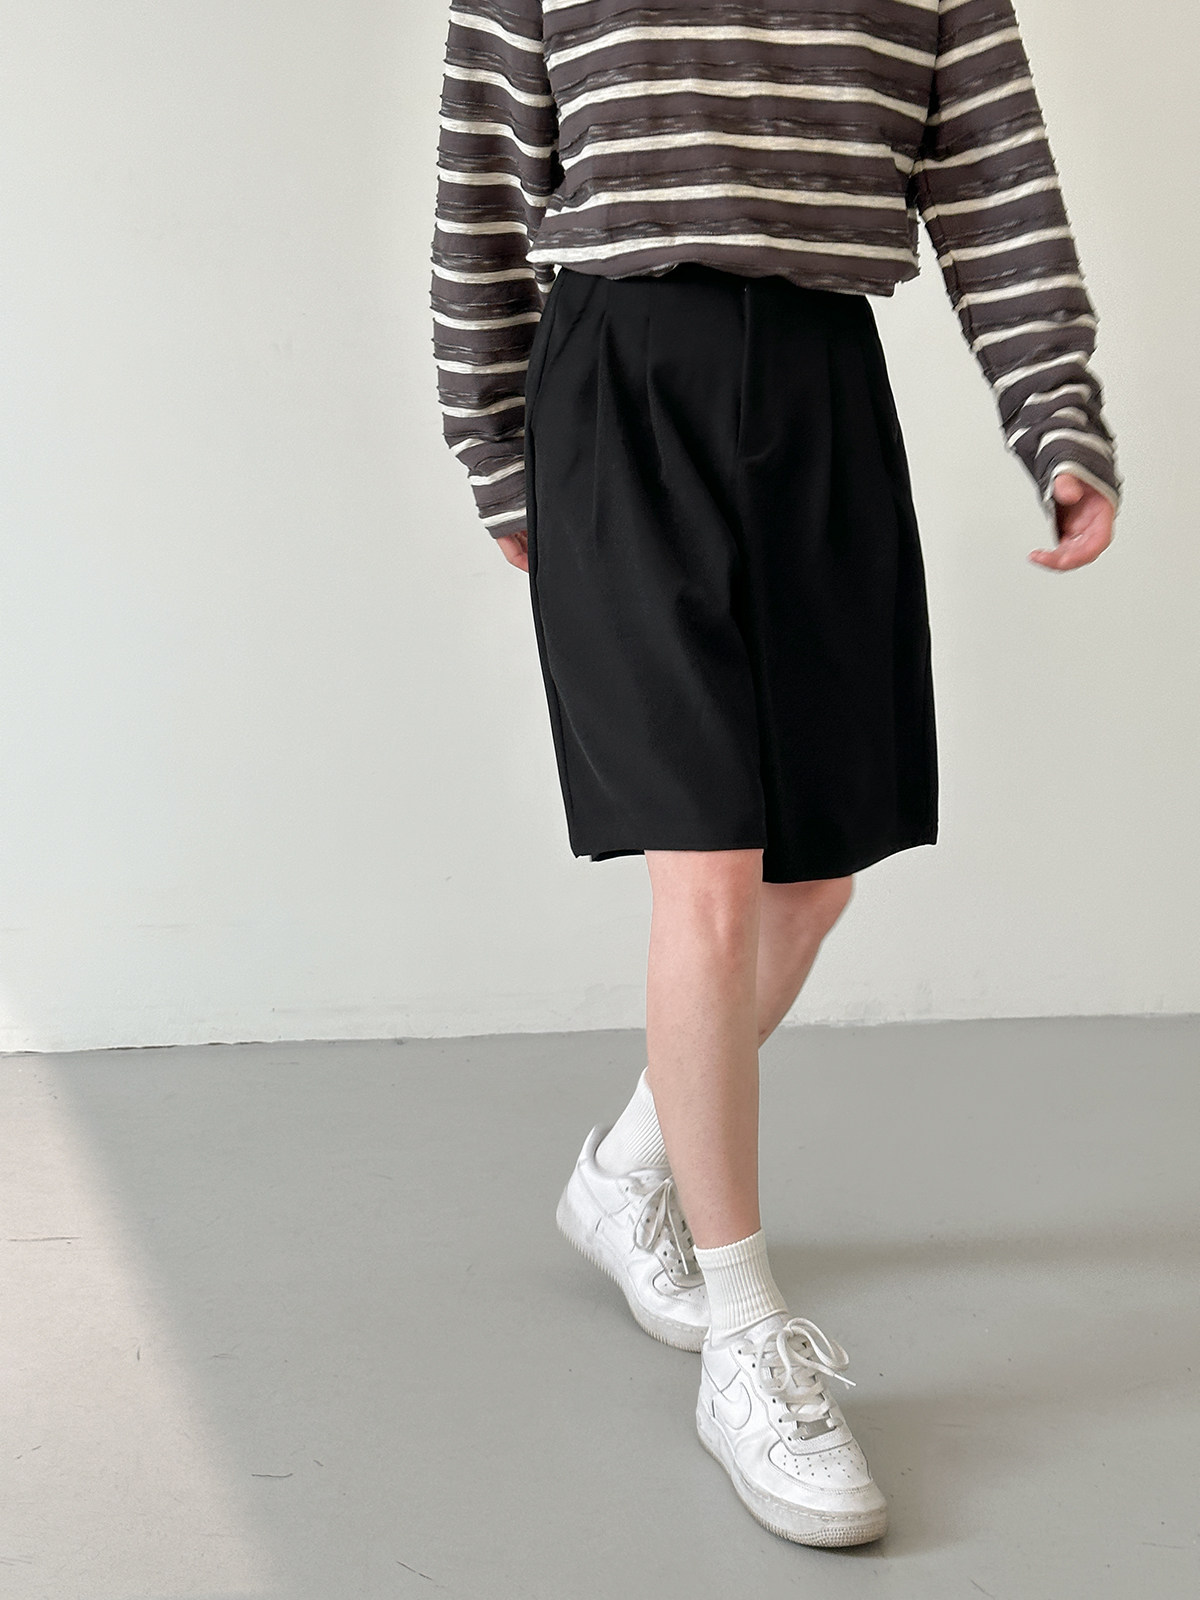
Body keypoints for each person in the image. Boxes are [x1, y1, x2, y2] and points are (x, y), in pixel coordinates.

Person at [429, 0, 1121, 1549]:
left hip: (819, 393)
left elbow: (995, 180)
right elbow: (483, 181)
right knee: (710, 866)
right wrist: (494, 442)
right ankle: (748, 1339)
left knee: (812, 884)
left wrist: (1056, 417)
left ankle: (626, 1172)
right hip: (617, 391)